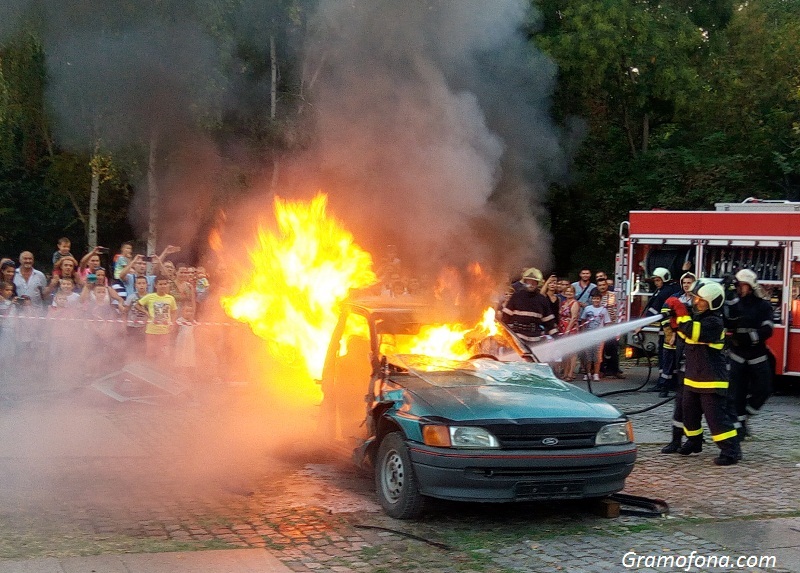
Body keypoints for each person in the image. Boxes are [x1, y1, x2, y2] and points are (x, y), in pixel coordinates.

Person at [671, 280, 741, 466]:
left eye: (700, 299)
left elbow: (694, 333)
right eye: (695, 298)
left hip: (711, 380)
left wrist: (681, 315)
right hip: (694, 377)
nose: (695, 302)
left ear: (711, 302)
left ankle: (730, 451)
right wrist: (675, 321)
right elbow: (685, 334)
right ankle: (694, 441)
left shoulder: (714, 322)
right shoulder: (697, 318)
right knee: (689, 414)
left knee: (716, 419)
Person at [723, 268, 774, 440]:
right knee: (736, 392)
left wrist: (749, 338)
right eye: (739, 285)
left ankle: (745, 413)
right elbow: (725, 320)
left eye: (743, 285)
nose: (740, 288)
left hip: (757, 355)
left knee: (764, 389)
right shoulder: (734, 304)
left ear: (751, 286)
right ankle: (739, 427)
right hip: (737, 354)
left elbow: (768, 329)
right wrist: (725, 292)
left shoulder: (763, 305)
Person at [659, 271, 696, 453]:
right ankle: (676, 441)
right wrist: (669, 333)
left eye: (690, 282)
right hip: (680, 346)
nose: (687, 285)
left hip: (695, 356)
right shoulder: (675, 298)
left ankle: (693, 441)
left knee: (693, 406)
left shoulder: (699, 301)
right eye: (685, 282)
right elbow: (665, 312)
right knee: (681, 403)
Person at [639, 267, 681, 393]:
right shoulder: (674, 288)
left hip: (667, 330)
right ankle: (672, 382)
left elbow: (653, 311)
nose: (656, 283)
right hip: (674, 329)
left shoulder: (663, 292)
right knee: (671, 357)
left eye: (658, 280)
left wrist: (641, 325)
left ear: (665, 279)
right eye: (655, 281)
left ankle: (663, 384)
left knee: (665, 357)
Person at [500, 267, 558, 347]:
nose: (531, 285)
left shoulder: (542, 300)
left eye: (534, 282)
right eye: (528, 282)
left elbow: (549, 322)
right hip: (517, 337)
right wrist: (505, 336)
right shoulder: (516, 296)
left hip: (535, 339)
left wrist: (558, 338)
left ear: (538, 284)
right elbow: (505, 318)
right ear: (524, 282)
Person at [135, 276, 178, 362]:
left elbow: (174, 312)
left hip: (165, 331)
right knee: (151, 354)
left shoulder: (170, 298)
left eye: (165, 284)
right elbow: (137, 305)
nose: (163, 286)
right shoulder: (150, 296)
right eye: (160, 284)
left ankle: (162, 369)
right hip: (151, 331)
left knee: (163, 355)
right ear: (156, 285)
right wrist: (146, 312)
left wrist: (172, 323)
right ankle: (150, 371)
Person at [596, 277, 625, 379]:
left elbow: (616, 308)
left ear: (607, 286)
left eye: (604, 285)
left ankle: (615, 370)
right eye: (600, 285)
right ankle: (601, 370)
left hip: (611, 326)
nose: (602, 287)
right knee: (601, 350)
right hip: (599, 327)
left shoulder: (612, 296)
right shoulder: (596, 297)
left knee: (613, 348)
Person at [579, 289, 611, 381]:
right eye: (594, 299)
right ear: (591, 299)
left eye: (598, 299)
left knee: (597, 355)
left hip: (599, 336)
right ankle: (588, 373)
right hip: (588, 335)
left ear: (600, 299)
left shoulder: (604, 310)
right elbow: (583, 321)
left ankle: (596, 373)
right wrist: (583, 332)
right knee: (588, 355)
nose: (596, 301)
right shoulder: (587, 309)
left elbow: (607, 323)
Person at [558, 285, 580, 380]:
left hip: (570, 329)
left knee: (572, 353)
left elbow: (574, 317)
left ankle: (570, 374)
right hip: (562, 327)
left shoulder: (574, 303)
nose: (569, 293)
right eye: (567, 291)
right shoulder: (563, 303)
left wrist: (568, 330)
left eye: (571, 292)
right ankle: (565, 372)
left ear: (574, 293)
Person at [174, 304, 199, 378]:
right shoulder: (179, 320)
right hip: (181, 341)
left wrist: (192, 320)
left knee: (190, 356)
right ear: (182, 312)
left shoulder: (193, 321)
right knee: (181, 355)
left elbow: (196, 331)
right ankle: (180, 371)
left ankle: (190, 371)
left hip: (190, 342)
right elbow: (175, 330)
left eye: (190, 311)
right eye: (187, 311)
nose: (189, 313)